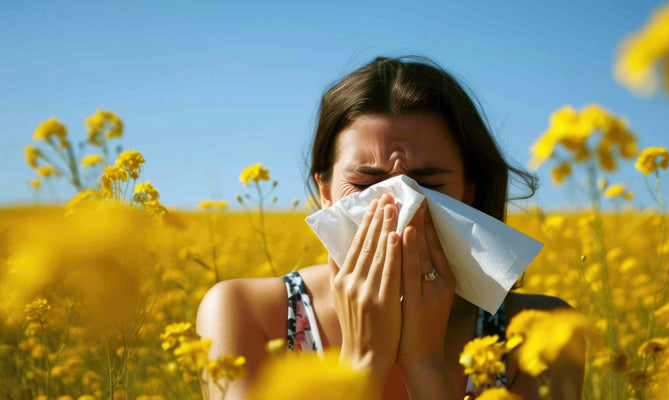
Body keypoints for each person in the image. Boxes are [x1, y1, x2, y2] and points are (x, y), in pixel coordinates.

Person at [197, 56, 584, 399]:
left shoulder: (541, 331)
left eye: (429, 185)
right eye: (365, 185)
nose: (401, 205)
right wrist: (362, 360)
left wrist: (424, 364)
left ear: (469, 192)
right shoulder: (244, 313)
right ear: (325, 192)